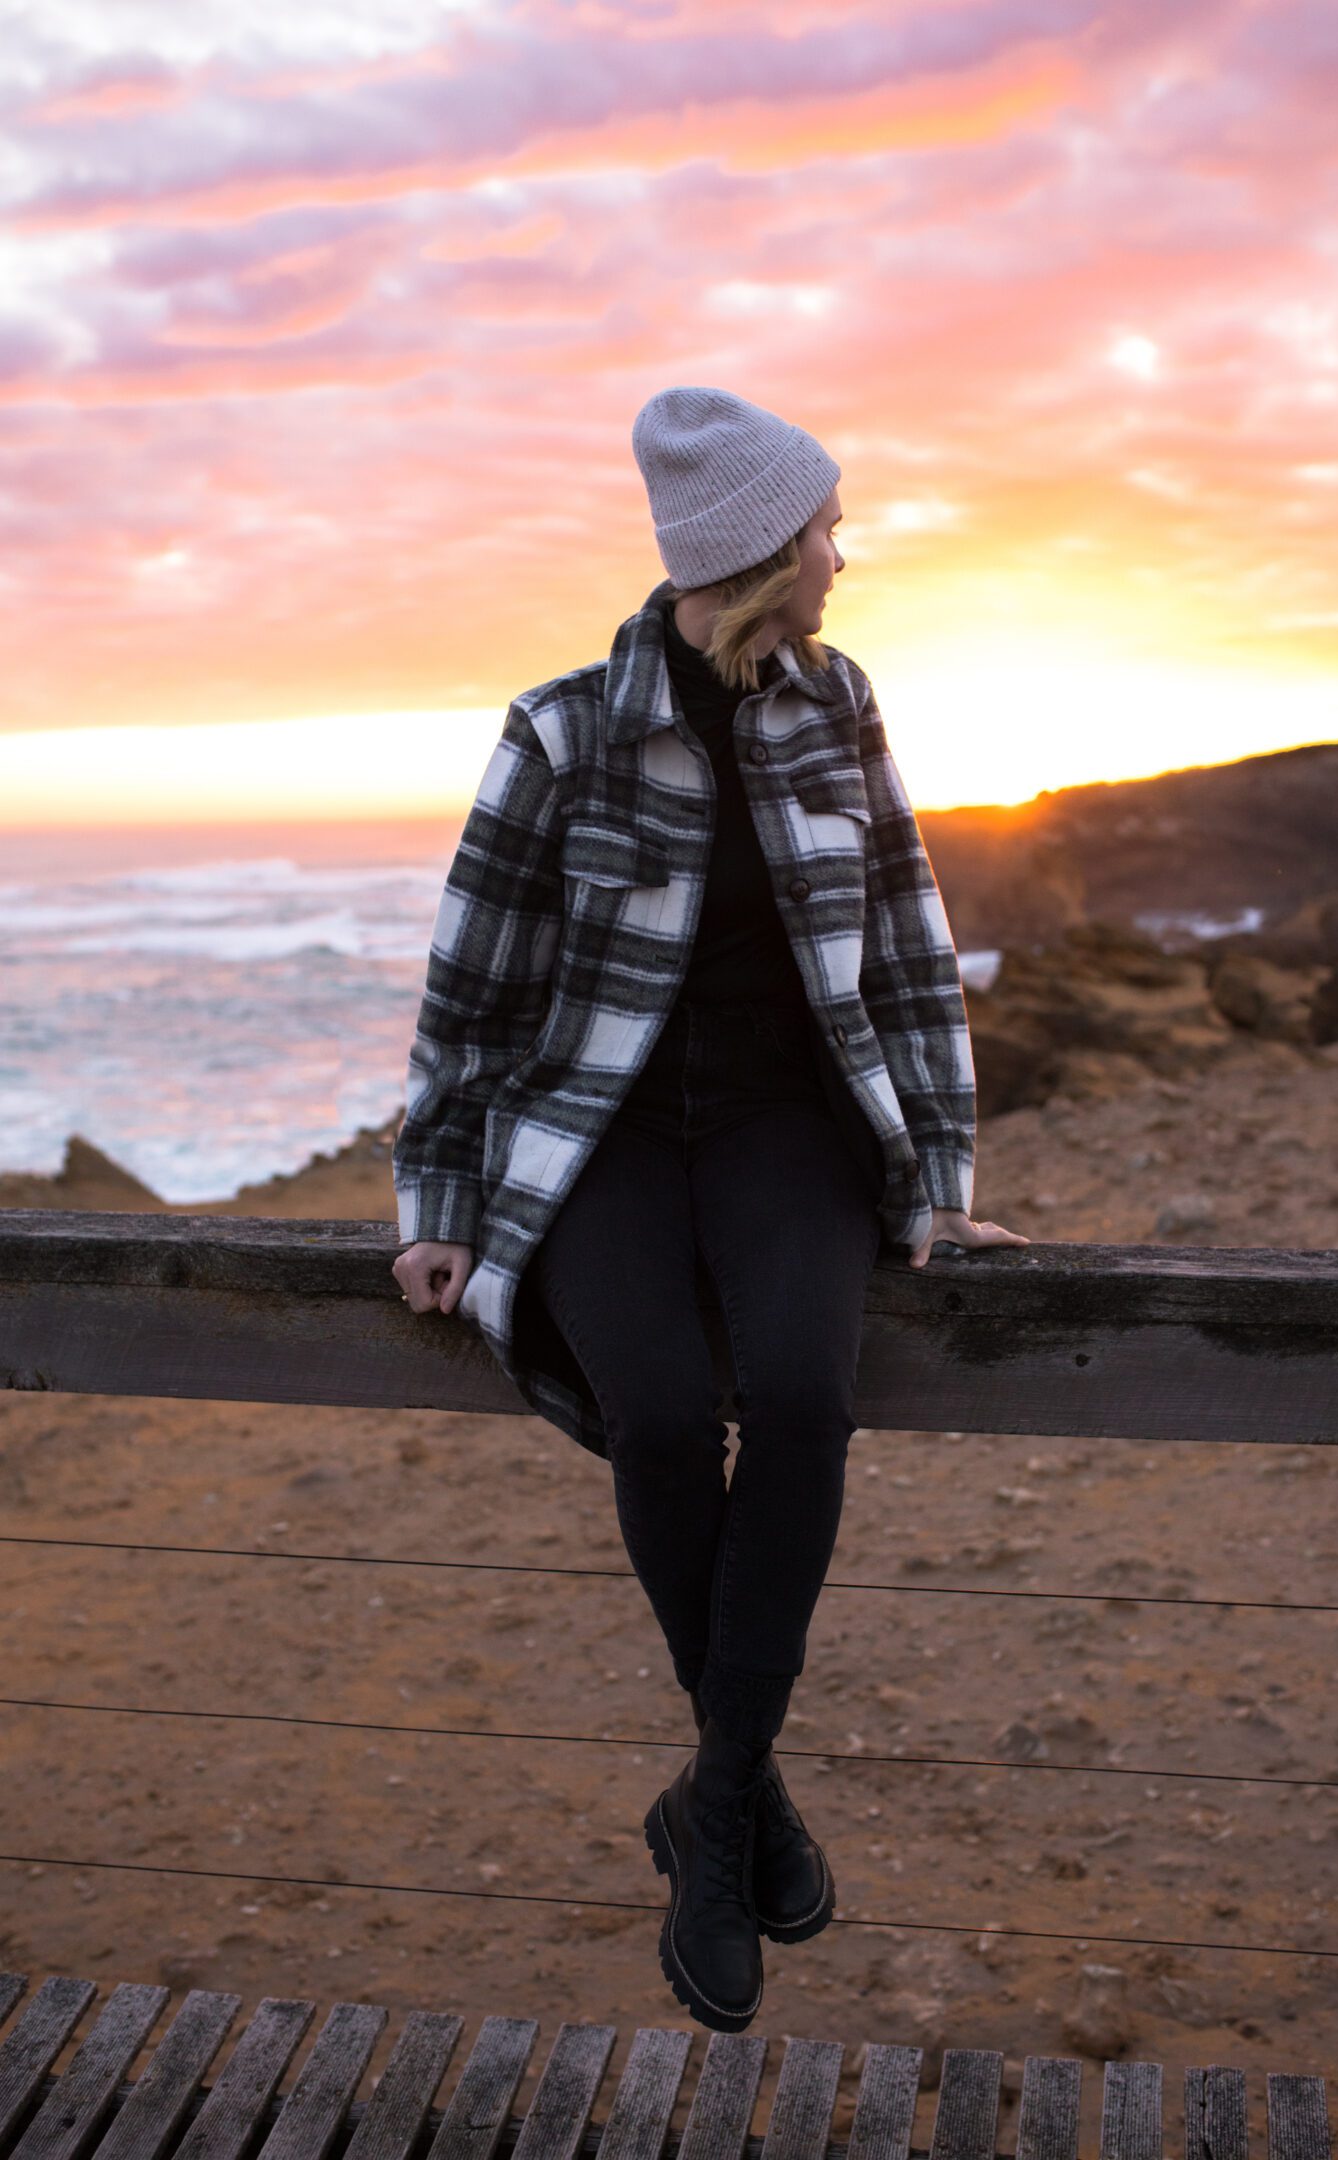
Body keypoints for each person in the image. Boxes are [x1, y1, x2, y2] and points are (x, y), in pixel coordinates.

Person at [390, 384, 1028, 2032]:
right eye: (826, 529)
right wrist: (439, 1199)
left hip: (784, 1130)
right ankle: (748, 1798)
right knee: (662, 1414)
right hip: (599, 1133)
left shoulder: (840, 702)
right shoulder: (561, 731)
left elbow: (907, 944)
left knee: (805, 1399)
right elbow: (471, 991)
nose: (842, 557)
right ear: (757, 550)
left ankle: (716, 1799)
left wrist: (938, 1179)